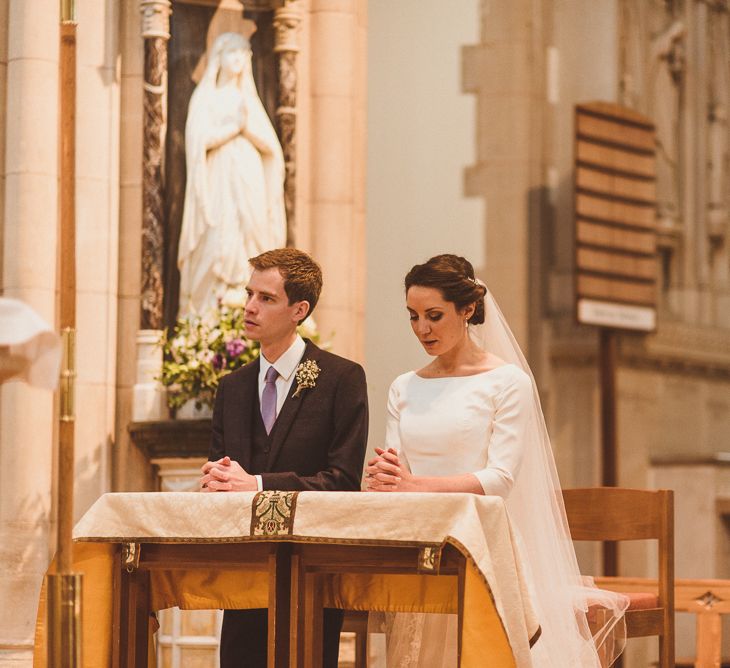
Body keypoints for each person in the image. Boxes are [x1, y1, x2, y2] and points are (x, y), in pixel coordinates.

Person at [366, 254, 627, 667]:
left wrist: (412, 485)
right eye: (413, 316)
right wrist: (384, 477)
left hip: (487, 545)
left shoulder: (507, 382)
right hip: (422, 543)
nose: (422, 329)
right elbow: (399, 468)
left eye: (434, 315)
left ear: (467, 309)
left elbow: (499, 479)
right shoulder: (404, 387)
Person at [199, 248, 368, 668]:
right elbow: (222, 473)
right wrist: (215, 480)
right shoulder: (231, 388)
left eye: (267, 298)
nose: (250, 307)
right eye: (249, 293)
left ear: (300, 309)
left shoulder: (341, 379)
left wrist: (257, 485)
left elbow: (343, 481)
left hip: (310, 572)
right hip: (244, 571)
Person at [178, 32, 286, 317]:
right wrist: (231, 129)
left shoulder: (249, 100)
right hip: (218, 180)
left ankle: (248, 302)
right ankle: (207, 315)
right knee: (217, 238)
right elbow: (197, 143)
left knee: (250, 242)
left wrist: (246, 128)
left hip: (249, 179)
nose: (238, 59)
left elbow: (272, 150)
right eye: (232, 53)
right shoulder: (208, 97)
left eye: (243, 53)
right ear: (219, 58)